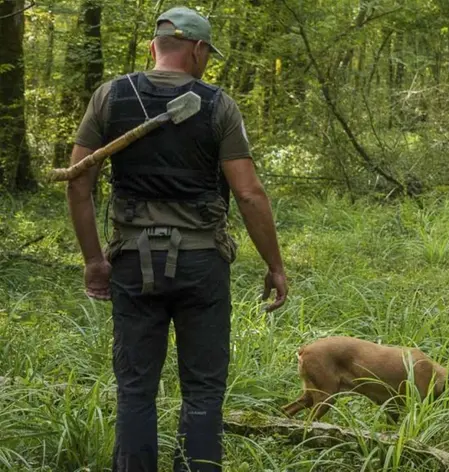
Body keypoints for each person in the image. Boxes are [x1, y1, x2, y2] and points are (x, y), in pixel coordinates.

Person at [65, 6, 288, 471]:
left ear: (154, 46)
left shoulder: (109, 97)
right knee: (204, 391)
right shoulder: (219, 104)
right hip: (201, 263)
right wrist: (275, 265)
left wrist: (93, 260)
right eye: (208, 53)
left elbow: (78, 181)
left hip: (131, 261)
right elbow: (248, 194)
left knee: (135, 390)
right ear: (198, 49)